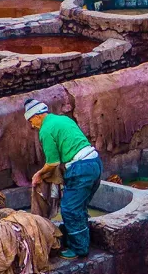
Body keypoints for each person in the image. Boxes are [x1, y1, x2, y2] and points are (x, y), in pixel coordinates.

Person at [24, 99, 101, 259]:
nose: (32, 125)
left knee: (69, 209)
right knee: (79, 207)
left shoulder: (45, 129)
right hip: (95, 163)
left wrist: (39, 174)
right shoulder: (62, 119)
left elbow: (53, 162)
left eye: (31, 121)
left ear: (37, 116)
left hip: (80, 168)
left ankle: (79, 249)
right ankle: (81, 240)